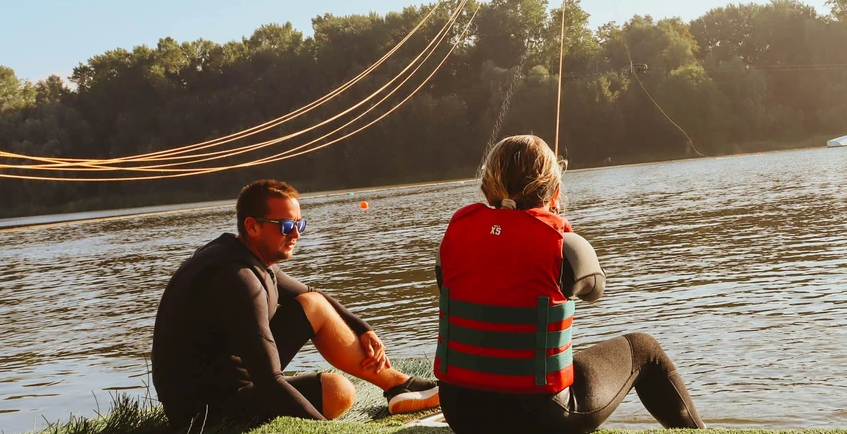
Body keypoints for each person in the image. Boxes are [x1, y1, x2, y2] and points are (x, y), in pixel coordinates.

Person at [434, 135, 705, 434]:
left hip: (461, 413)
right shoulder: (565, 246)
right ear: (554, 190)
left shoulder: (454, 235)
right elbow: (595, 290)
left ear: (487, 189)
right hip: (542, 417)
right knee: (644, 349)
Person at [151, 179, 439, 428]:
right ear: (252, 226)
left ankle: (398, 385)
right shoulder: (237, 280)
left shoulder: (243, 256)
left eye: (299, 224)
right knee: (331, 378)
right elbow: (269, 382)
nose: (296, 234)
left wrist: (363, 328)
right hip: (206, 412)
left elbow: (314, 295)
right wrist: (324, 430)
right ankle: (398, 385)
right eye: (286, 225)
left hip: (228, 384)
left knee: (332, 371)